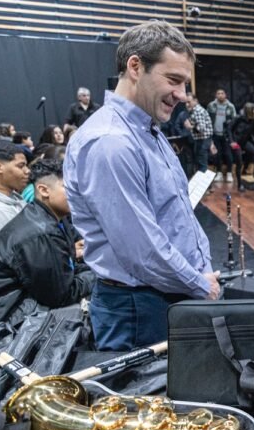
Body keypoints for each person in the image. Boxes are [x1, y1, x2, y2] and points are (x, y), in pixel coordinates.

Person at [64, 20, 220, 351]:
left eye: (185, 84)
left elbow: (177, 214)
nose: (182, 95)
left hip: (168, 294)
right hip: (138, 308)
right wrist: (200, 284)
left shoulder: (148, 130)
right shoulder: (111, 142)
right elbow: (143, 251)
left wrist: (201, 269)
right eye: (173, 80)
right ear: (135, 67)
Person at [0, 158, 95, 338]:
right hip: (5, 320)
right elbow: (60, 296)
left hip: (18, 303)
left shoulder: (51, 219)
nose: (78, 194)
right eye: (70, 188)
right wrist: (97, 274)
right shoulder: (39, 233)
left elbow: (65, 269)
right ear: (44, 190)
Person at [229, 102, 254, 187]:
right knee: (239, 163)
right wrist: (232, 141)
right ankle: (239, 184)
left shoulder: (251, 120)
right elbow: (229, 129)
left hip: (244, 142)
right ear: (249, 110)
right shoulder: (238, 118)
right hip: (236, 142)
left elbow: (249, 135)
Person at [206, 89, 237, 183]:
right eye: (218, 93)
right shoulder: (211, 105)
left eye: (222, 93)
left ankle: (229, 173)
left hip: (226, 135)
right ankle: (219, 173)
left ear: (225, 95)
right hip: (215, 134)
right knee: (217, 154)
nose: (220, 95)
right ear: (216, 95)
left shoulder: (230, 106)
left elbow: (235, 120)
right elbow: (207, 118)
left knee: (228, 154)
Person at [185, 92, 212, 173]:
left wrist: (190, 126)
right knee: (200, 164)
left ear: (195, 101)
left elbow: (201, 129)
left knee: (202, 165)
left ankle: (203, 181)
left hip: (203, 140)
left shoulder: (198, 111)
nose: (187, 105)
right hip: (201, 140)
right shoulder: (195, 111)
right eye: (186, 102)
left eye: (189, 102)